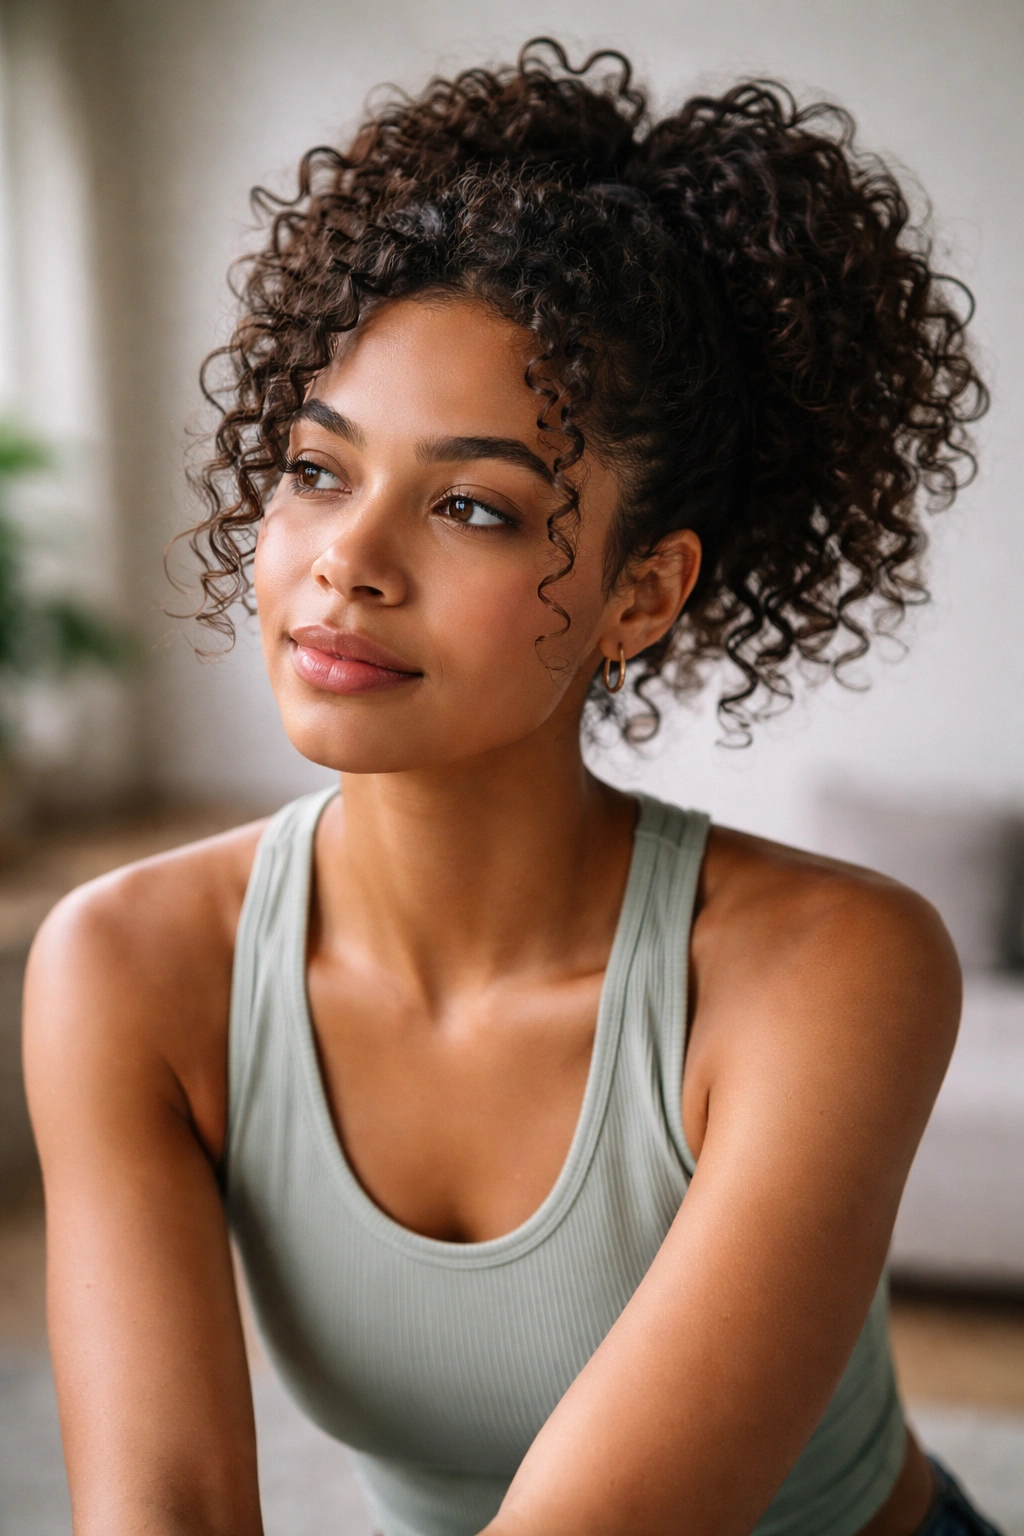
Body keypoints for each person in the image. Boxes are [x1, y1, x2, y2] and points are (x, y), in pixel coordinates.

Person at [24, 38, 999, 1536]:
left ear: (640, 592)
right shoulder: (126, 968)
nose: (349, 560)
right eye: (317, 469)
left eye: (473, 506)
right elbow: (163, 1507)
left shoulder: (830, 971)